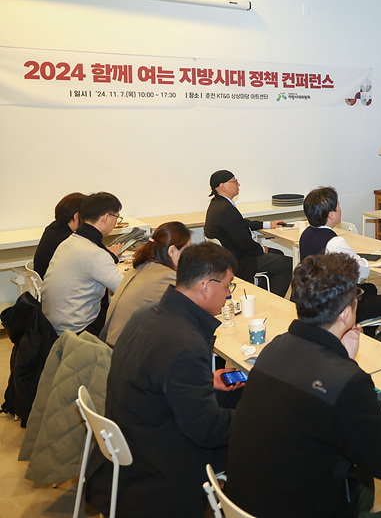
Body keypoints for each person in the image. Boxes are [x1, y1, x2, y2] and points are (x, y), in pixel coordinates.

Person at [226, 253, 381, 518]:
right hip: (304, 508)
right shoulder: (348, 382)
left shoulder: (274, 348)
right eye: (357, 295)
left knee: (362, 478)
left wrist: (341, 358)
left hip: (245, 504)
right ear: (346, 314)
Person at [87, 242, 245, 518]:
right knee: (261, 430)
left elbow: (156, 376)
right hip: (159, 462)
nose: (229, 294)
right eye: (228, 285)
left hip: (134, 437)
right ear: (206, 286)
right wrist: (255, 420)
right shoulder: (183, 343)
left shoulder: (146, 315)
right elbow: (206, 429)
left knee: (233, 397)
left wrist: (202, 380)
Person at [300, 186, 381, 334]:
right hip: (336, 307)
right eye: (338, 206)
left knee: (370, 288)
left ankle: (369, 336)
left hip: (316, 299)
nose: (340, 209)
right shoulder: (335, 243)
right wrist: (362, 261)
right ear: (331, 215)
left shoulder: (306, 234)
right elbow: (362, 272)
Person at [41, 192, 125, 336]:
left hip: (51, 326)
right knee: (127, 313)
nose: (116, 222)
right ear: (106, 217)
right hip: (77, 331)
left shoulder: (69, 242)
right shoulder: (95, 253)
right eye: (117, 217)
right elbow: (124, 289)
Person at [99, 221, 191, 347]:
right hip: (125, 352)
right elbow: (188, 314)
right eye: (187, 250)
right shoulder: (166, 276)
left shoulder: (140, 266)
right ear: (172, 251)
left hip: (112, 344)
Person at [204, 170, 292, 296]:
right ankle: (274, 299)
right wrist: (262, 249)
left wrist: (267, 224)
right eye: (234, 181)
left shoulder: (217, 204)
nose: (238, 184)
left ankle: (264, 293)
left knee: (278, 254)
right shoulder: (226, 209)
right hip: (239, 260)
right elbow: (243, 242)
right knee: (287, 263)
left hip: (231, 255)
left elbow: (240, 222)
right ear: (222, 186)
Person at [32, 192, 86, 279]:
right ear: (77, 216)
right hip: (55, 283)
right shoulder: (68, 239)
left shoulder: (52, 228)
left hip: (45, 281)